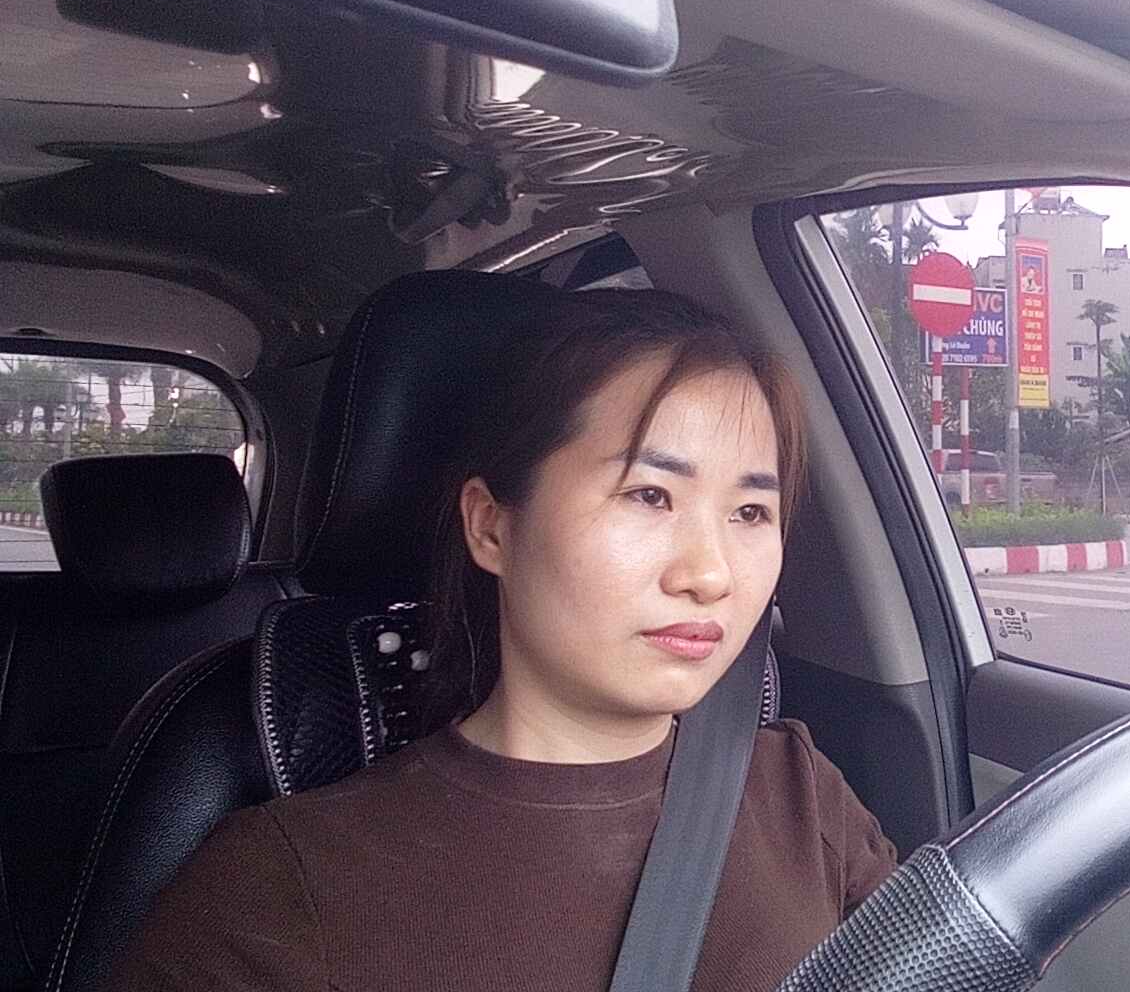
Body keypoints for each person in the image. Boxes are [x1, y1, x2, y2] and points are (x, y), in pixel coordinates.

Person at [114, 288, 897, 992]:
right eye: (650, 495)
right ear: (491, 526)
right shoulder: (279, 890)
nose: (711, 574)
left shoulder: (803, 797)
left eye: (751, 513)